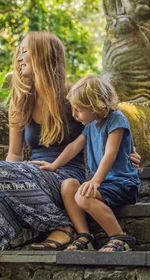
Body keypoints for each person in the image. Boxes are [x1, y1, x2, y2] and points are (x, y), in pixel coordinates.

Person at [0, 32, 141, 280]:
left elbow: (106, 124)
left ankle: (64, 225)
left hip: (69, 177)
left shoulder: (72, 97)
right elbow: (14, 155)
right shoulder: (20, 102)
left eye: (26, 52)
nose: (19, 58)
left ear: (45, 56)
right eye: (18, 52)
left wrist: (128, 153)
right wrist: (11, 187)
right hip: (29, 181)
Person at [32, 75, 139, 252]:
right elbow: (74, 146)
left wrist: (95, 181)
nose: (74, 115)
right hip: (105, 185)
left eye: (78, 110)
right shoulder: (90, 126)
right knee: (68, 185)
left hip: (122, 184)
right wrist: (54, 165)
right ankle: (84, 236)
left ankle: (120, 237)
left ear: (95, 105)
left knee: (83, 196)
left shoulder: (116, 120)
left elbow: (110, 154)